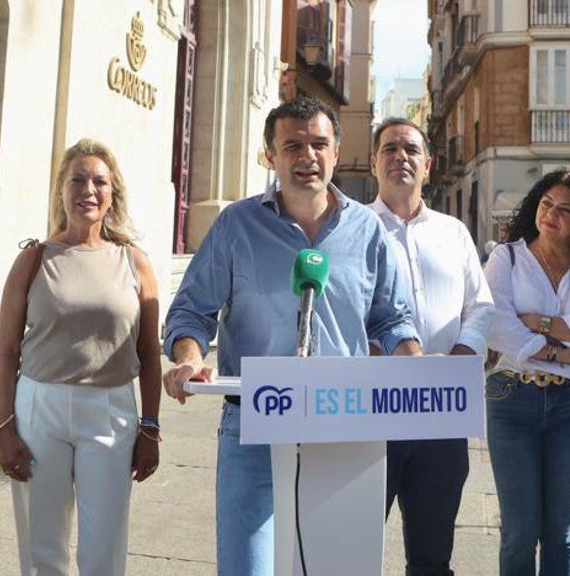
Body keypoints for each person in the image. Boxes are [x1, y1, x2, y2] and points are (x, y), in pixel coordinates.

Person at [162, 96, 422, 575]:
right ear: (269, 155)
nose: (308, 157)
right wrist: (187, 357)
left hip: (343, 423)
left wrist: (415, 366)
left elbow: (392, 318)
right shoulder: (236, 226)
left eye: (319, 144)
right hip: (253, 424)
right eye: (293, 146)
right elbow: (191, 311)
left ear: (337, 152)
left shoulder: (366, 230)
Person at [0, 139, 161, 575]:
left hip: (110, 411)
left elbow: (149, 353)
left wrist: (151, 427)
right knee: (41, 545)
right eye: (77, 180)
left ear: (113, 194)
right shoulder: (33, 259)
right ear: (61, 192)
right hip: (39, 407)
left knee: (103, 546)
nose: (88, 189)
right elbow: (7, 350)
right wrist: (5, 426)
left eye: (99, 181)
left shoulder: (135, 263)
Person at [369, 117, 493, 576]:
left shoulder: (453, 232)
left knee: (432, 554)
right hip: (369, 409)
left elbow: (480, 306)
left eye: (410, 150)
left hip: (440, 411)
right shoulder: (354, 228)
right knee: (353, 545)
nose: (400, 157)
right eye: (389, 149)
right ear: (374, 162)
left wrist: (461, 359)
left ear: (428, 166)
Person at [484, 169, 570, 576]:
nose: (552, 214)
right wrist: (559, 352)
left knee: (561, 528)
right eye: (546, 204)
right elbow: (498, 324)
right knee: (519, 529)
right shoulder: (506, 257)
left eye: (565, 209)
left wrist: (539, 322)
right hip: (512, 398)